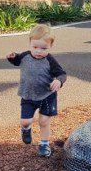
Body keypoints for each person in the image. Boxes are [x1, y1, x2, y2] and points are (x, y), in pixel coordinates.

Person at [7, 24, 67, 157]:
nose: (39, 51)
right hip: (28, 95)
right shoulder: (25, 56)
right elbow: (16, 60)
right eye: (35, 47)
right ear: (30, 43)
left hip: (47, 96)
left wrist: (59, 81)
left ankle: (44, 145)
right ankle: (26, 129)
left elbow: (62, 74)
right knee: (25, 121)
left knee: (44, 121)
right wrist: (11, 57)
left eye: (43, 48)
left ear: (51, 46)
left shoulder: (49, 60)